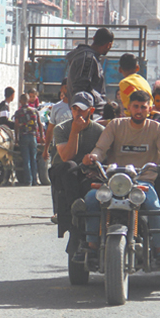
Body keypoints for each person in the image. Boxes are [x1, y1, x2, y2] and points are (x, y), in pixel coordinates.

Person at [81, 90, 160, 268]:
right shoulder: (116, 125)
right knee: (90, 199)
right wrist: (93, 157)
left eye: (143, 107)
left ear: (149, 109)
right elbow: (100, 148)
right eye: (136, 106)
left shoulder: (157, 129)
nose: (139, 110)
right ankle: (91, 247)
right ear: (128, 108)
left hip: (142, 183)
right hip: (113, 181)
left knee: (154, 206)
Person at [49, 92, 105, 253]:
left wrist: (92, 166)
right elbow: (66, 156)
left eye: (82, 109)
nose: (78, 113)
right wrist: (75, 131)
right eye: (74, 109)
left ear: (91, 110)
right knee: (70, 165)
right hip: (64, 174)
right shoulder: (62, 129)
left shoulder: (99, 131)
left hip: (88, 173)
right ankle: (75, 205)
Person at [66, 27, 114, 111]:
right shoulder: (88, 59)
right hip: (88, 112)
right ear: (109, 45)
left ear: (94, 38)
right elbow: (81, 89)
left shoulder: (86, 57)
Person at [14, 94, 42, 186]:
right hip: (33, 137)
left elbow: (16, 126)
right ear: (28, 100)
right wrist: (41, 137)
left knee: (26, 160)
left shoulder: (18, 112)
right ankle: (35, 180)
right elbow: (40, 124)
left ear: (21, 101)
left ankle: (28, 181)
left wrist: (16, 139)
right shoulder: (35, 111)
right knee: (33, 159)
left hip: (24, 137)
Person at [42, 78, 72, 162]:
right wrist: (46, 149)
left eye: (71, 87)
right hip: (58, 147)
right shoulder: (56, 107)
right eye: (66, 87)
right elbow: (50, 130)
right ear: (61, 89)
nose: (69, 90)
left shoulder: (78, 107)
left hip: (74, 147)